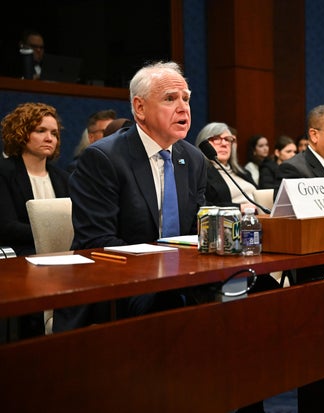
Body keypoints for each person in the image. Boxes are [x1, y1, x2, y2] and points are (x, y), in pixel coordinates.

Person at [53, 61, 209, 333]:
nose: (183, 107)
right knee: (169, 301)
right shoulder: (103, 158)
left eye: (186, 98)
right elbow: (97, 240)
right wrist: (164, 266)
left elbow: (198, 226)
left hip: (180, 276)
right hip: (117, 281)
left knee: (251, 285)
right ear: (140, 108)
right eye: (170, 99)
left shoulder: (194, 158)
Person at [0, 102, 69, 338]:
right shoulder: (5, 172)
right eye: (40, 131)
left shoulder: (63, 177)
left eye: (54, 133)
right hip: (22, 256)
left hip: (63, 257)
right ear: (21, 132)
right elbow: (7, 227)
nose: (49, 138)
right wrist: (53, 236)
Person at [195, 122, 257, 213]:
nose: (224, 144)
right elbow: (201, 205)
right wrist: (239, 207)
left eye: (228, 139)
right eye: (216, 138)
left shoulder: (244, 172)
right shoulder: (200, 173)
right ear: (203, 144)